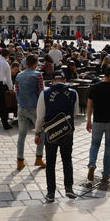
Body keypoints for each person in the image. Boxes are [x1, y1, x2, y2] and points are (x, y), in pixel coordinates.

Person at [35, 72, 79, 201]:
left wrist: (37, 132)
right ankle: (69, 188)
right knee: (67, 159)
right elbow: (75, 113)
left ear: (52, 81)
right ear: (65, 80)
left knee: (50, 162)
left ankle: (51, 193)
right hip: (67, 131)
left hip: (51, 133)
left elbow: (40, 117)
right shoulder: (73, 93)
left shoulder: (45, 93)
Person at [86, 65, 110, 182]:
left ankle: (92, 164)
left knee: (94, 145)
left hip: (97, 121)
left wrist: (88, 120)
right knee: (109, 147)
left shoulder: (94, 87)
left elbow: (89, 106)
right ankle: (106, 173)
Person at [15, 54, 46, 171]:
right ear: (35, 64)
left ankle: (20, 161)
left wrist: (21, 102)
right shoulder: (38, 75)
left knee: (21, 135)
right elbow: (41, 93)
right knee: (40, 132)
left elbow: (17, 92)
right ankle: (38, 158)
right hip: (34, 107)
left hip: (22, 107)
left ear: (26, 63)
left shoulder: (19, 75)